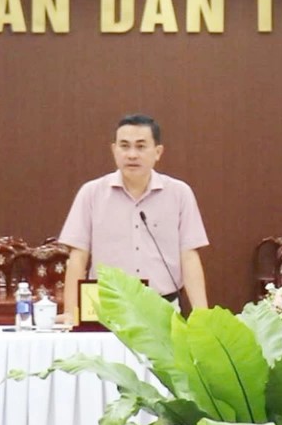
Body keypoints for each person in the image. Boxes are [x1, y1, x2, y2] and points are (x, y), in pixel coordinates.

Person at [60, 114, 209, 324]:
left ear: (158, 152)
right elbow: (78, 257)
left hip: (162, 308)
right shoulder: (91, 193)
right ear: (114, 150)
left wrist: (203, 317)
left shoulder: (179, 193)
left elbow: (189, 257)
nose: (131, 155)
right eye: (124, 146)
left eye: (140, 147)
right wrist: (71, 312)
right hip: (106, 308)